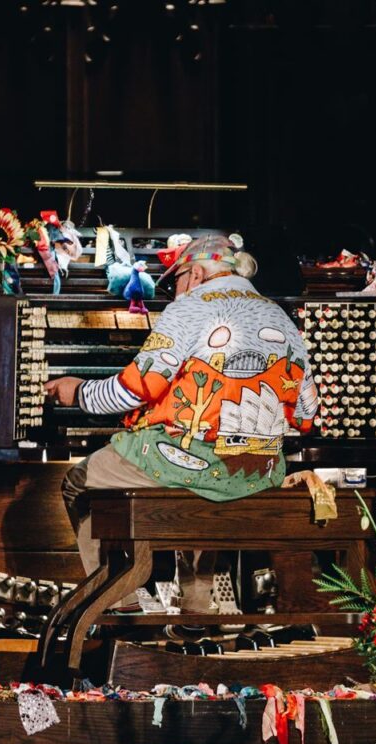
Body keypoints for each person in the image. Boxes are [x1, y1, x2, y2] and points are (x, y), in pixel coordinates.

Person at [46, 233, 318, 590]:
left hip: (182, 462)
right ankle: (195, 615)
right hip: (255, 472)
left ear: (196, 275)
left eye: (175, 281)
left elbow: (133, 390)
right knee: (206, 494)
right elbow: (307, 412)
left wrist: (78, 392)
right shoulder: (280, 317)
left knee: (79, 483)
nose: (174, 292)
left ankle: (114, 607)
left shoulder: (190, 306)